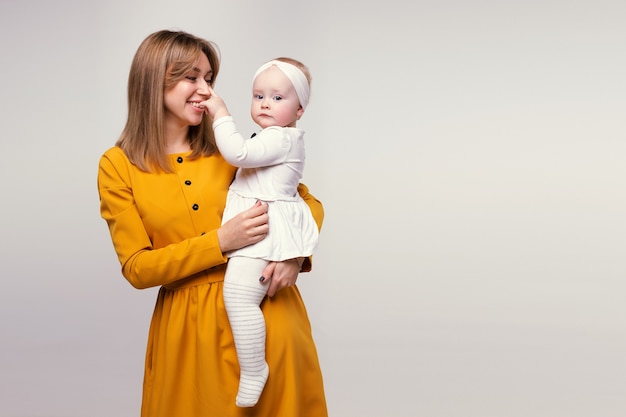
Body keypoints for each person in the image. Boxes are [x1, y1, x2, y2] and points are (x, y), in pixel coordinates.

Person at [97, 29, 328, 417]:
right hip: (189, 335)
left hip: (269, 317)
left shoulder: (232, 149)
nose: (205, 90)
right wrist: (219, 241)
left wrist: (294, 256)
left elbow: (306, 203)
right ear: (155, 80)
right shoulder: (118, 166)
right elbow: (137, 267)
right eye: (191, 77)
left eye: (209, 78)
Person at [202, 57, 319, 407]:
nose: (266, 103)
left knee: (238, 298)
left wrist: (221, 113)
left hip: (264, 232)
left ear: (300, 108)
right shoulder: (273, 137)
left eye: (278, 98)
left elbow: (238, 152)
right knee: (240, 297)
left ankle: (254, 369)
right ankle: (254, 368)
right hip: (262, 227)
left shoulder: (282, 139)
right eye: (258, 95)